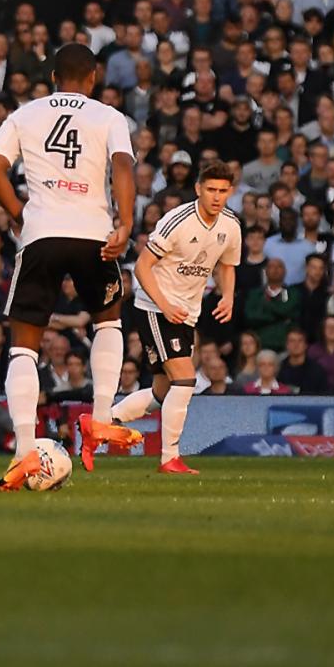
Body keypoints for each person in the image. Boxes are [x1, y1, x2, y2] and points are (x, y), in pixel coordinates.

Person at [0, 43, 136, 492]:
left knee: (24, 347)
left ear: (52, 77)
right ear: (93, 78)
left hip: (43, 233)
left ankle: (24, 451)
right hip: (94, 234)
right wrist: (124, 224)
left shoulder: (25, 114)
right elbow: (122, 166)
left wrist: (18, 213)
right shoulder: (108, 116)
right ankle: (102, 418)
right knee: (108, 320)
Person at [95, 160, 239, 475]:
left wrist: (227, 296)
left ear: (231, 192)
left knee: (163, 391)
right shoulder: (177, 221)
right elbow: (143, 266)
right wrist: (164, 304)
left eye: (223, 191)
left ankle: (101, 423)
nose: (216, 196)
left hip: (186, 312)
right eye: (211, 189)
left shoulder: (230, 225)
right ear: (199, 189)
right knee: (185, 380)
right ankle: (169, 458)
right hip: (156, 307)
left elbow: (227, 265)